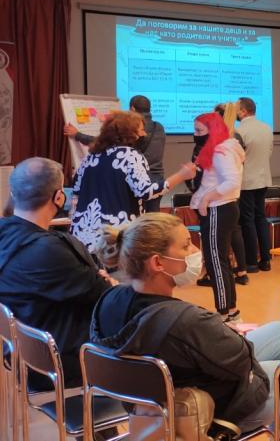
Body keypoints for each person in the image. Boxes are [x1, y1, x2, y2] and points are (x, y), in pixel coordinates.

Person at [90, 213, 280, 433]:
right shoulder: (185, 321)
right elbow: (242, 362)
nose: (195, 251)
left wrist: (215, 332)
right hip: (211, 413)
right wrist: (218, 331)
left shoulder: (108, 301)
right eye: (186, 246)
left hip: (153, 401)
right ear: (157, 262)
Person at [0, 158, 113, 389]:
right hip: (60, 364)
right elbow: (105, 295)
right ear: (59, 197)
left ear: (13, 193)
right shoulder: (50, 249)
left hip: (21, 355)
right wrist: (107, 281)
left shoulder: (5, 234)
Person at [71, 110, 194, 254]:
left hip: (83, 237)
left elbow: (76, 189)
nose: (144, 134)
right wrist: (181, 175)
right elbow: (145, 191)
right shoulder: (130, 155)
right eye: (141, 130)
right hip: (116, 236)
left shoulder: (90, 157)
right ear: (128, 133)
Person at [65, 95, 166, 213]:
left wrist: (77, 135)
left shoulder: (130, 150)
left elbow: (106, 142)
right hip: (156, 179)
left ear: (132, 109)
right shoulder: (159, 127)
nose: (143, 134)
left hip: (134, 181)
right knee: (152, 219)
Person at [191, 112, 246, 321]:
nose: (195, 135)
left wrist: (206, 198)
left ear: (212, 130)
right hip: (221, 209)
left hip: (218, 209)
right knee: (220, 261)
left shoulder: (221, 150)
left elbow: (232, 181)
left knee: (215, 262)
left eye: (199, 130)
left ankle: (223, 313)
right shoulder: (222, 147)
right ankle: (230, 311)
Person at [236, 97, 274, 272]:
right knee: (260, 218)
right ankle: (266, 260)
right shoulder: (267, 128)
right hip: (263, 178)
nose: (235, 112)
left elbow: (237, 158)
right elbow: (270, 152)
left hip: (246, 181)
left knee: (247, 220)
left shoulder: (239, 131)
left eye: (237, 109)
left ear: (243, 111)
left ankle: (251, 262)